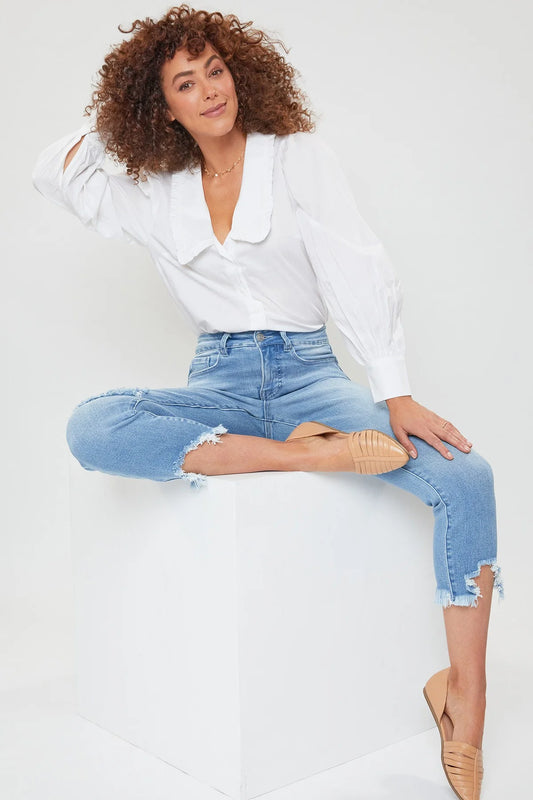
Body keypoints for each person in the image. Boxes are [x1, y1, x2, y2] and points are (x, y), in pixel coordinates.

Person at [32, 6, 503, 798]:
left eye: (215, 69)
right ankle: (300, 454)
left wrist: (393, 392)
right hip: (216, 380)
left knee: (466, 477)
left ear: (240, 71)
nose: (209, 89)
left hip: (309, 373)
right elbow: (57, 172)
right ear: (164, 107)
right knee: (92, 425)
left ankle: (465, 696)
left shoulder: (297, 159)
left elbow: (355, 261)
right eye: (184, 83)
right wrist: (132, 114)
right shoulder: (153, 190)